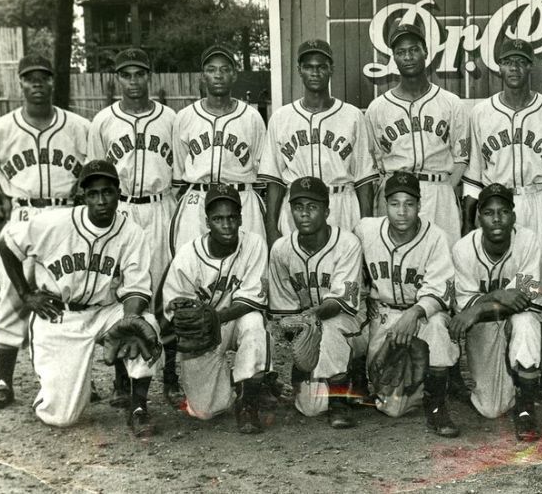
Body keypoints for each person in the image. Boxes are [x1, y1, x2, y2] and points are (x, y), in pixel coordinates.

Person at [0, 160, 161, 436]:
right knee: (61, 416)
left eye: (107, 192)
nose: (101, 200)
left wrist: (131, 318)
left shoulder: (131, 232)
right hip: (60, 315)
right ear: (82, 196)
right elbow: (7, 243)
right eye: (93, 194)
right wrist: (26, 294)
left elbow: (137, 288)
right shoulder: (54, 223)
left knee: (146, 324)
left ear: (118, 194)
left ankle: (139, 408)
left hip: (105, 311)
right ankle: (57, 389)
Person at [0, 54, 90, 410]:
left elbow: (94, 169)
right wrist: (7, 197)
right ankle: (3, 380)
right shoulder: (1, 128)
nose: (37, 84)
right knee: (14, 295)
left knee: (66, 294)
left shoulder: (77, 126)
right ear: (20, 84)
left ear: (53, 82)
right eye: (30, 79)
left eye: (43, 78)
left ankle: (69, 377)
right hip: (24, 213)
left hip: (63, 214)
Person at [87, 47, 183, 407]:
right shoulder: (103, 121)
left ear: (149, 76)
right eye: (126, 74)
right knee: (119, 292)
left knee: (165, 293)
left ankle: (171, 377)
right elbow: (95, 172)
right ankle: (121, 381)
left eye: (139, 74)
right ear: (117, 78)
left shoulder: (170, 119)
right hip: (121, 208)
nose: (133, 81)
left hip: (161, 206)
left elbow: (182, 172)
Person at [353, 172, 461, 437]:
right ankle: (358, 379)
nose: (402, 211)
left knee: (437, 326)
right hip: (385, 315)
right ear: (384, 205)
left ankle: (436, 406)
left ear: (420, 205)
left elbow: (440, 289)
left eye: (409, 204)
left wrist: (415, 312)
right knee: (393, 408)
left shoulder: (436, 237)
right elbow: (351, 269)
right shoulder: (365, 230)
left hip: (421, 315)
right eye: (395, 203)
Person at [161, 184, 273, 434]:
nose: (226, 225)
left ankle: (248, 401)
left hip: (236, 318)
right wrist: (183, 314)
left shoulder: (254, 244)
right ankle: (232, 380)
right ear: (207, 221)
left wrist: (217, 316)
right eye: (218, 219)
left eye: (232, 218)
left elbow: (252, 300)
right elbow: (173, 309)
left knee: (254, 323)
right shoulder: (188, 255)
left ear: (241, 218)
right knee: (205, 411)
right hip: (204, 333)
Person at [448, 184, 542, 442]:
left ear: (513, 215)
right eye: (489, 213)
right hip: (484, 326)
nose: (497, 219)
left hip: (515, 317)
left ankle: (526, 407)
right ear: (479, 217)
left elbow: (526, 298)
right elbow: (464, 308)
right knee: (491, 409)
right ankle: (514, 378)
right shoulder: (463, 249)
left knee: (526, 323)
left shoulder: (528, 240)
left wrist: (482, 305)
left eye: (503, 211)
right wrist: (499, 295)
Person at [268, 176, 367, 428]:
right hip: (308, 328)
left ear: (326, 211)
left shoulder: (347, 244)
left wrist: (308, 319)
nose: (304, 214)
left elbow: (338, 303)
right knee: (310, 408)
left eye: (312, 207)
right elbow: (284, 308)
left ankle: (339, 401)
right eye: (298, 207)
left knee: (331, 324)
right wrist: (300, 354)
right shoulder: (281, 249)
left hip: (352, 323)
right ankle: (331, 379)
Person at [260, 39, 378, 243]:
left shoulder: (352, 116)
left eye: (321, 67)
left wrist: (366, 226)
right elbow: (274, 180)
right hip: (297, 209)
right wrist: (271, 228)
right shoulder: (281, 117)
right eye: (308, 67)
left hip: (341, 203)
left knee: (344, 272)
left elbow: (364, 179)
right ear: (299, 70)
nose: (315, 73)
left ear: (331, 69)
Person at [364, 23, 470, 246]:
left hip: (437, 189)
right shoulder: (377, 108)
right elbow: (373, 160)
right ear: (394, 58)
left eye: (413, 49)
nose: (408, 57)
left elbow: (461, 157)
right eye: (401, 52)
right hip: (394, 193)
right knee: (397, 264)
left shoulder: (451, 103)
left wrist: (443, 189)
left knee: (444, 264)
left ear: (425, 52)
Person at [462, 39, 542, 243]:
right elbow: (474, 177)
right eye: (508, 61)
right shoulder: (481, 113)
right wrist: (467, 223)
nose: (514, 67)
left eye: (521, 62)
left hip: (540, 200)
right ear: (499, 67)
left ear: (530, 66)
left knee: (541, 270)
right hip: (496, 203)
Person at [170, 44, 267, 252]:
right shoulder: (185, 117)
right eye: (211, 69)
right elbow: (179, 173)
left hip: (242, 199)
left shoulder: (251, 117)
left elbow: (261, 172)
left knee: (248, 262)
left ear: (234, 75)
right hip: (198, 199)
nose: (218, 75)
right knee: (190, 264)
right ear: (202, 76)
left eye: (225, 69)